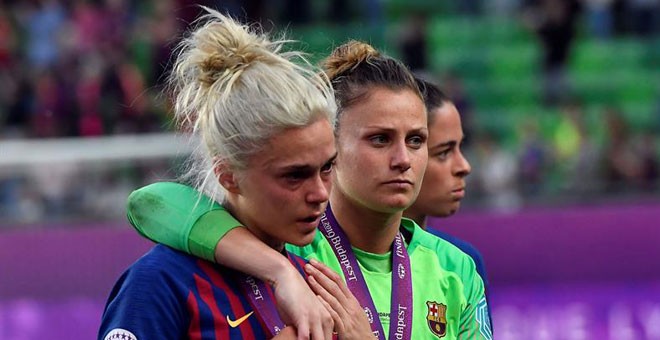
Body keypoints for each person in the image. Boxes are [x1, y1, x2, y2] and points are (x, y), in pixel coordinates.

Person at [127, 41, 493, 339]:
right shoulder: (293, 245)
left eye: (417, 141)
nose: (403, 159)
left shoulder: (455, 266)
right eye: (379, 139)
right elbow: (152, 202)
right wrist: (278, 270)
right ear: (331, 142)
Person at [98, 8, 352, 340]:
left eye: (327, 167)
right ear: (228, 175)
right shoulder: (161, 282)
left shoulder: (319, 284)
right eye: (294, 176)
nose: (320, 193)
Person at [405, 78, 491, 317]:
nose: (464, 166)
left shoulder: (462, 263)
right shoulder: (318, 257)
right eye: (444, 152)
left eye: (460, 148)